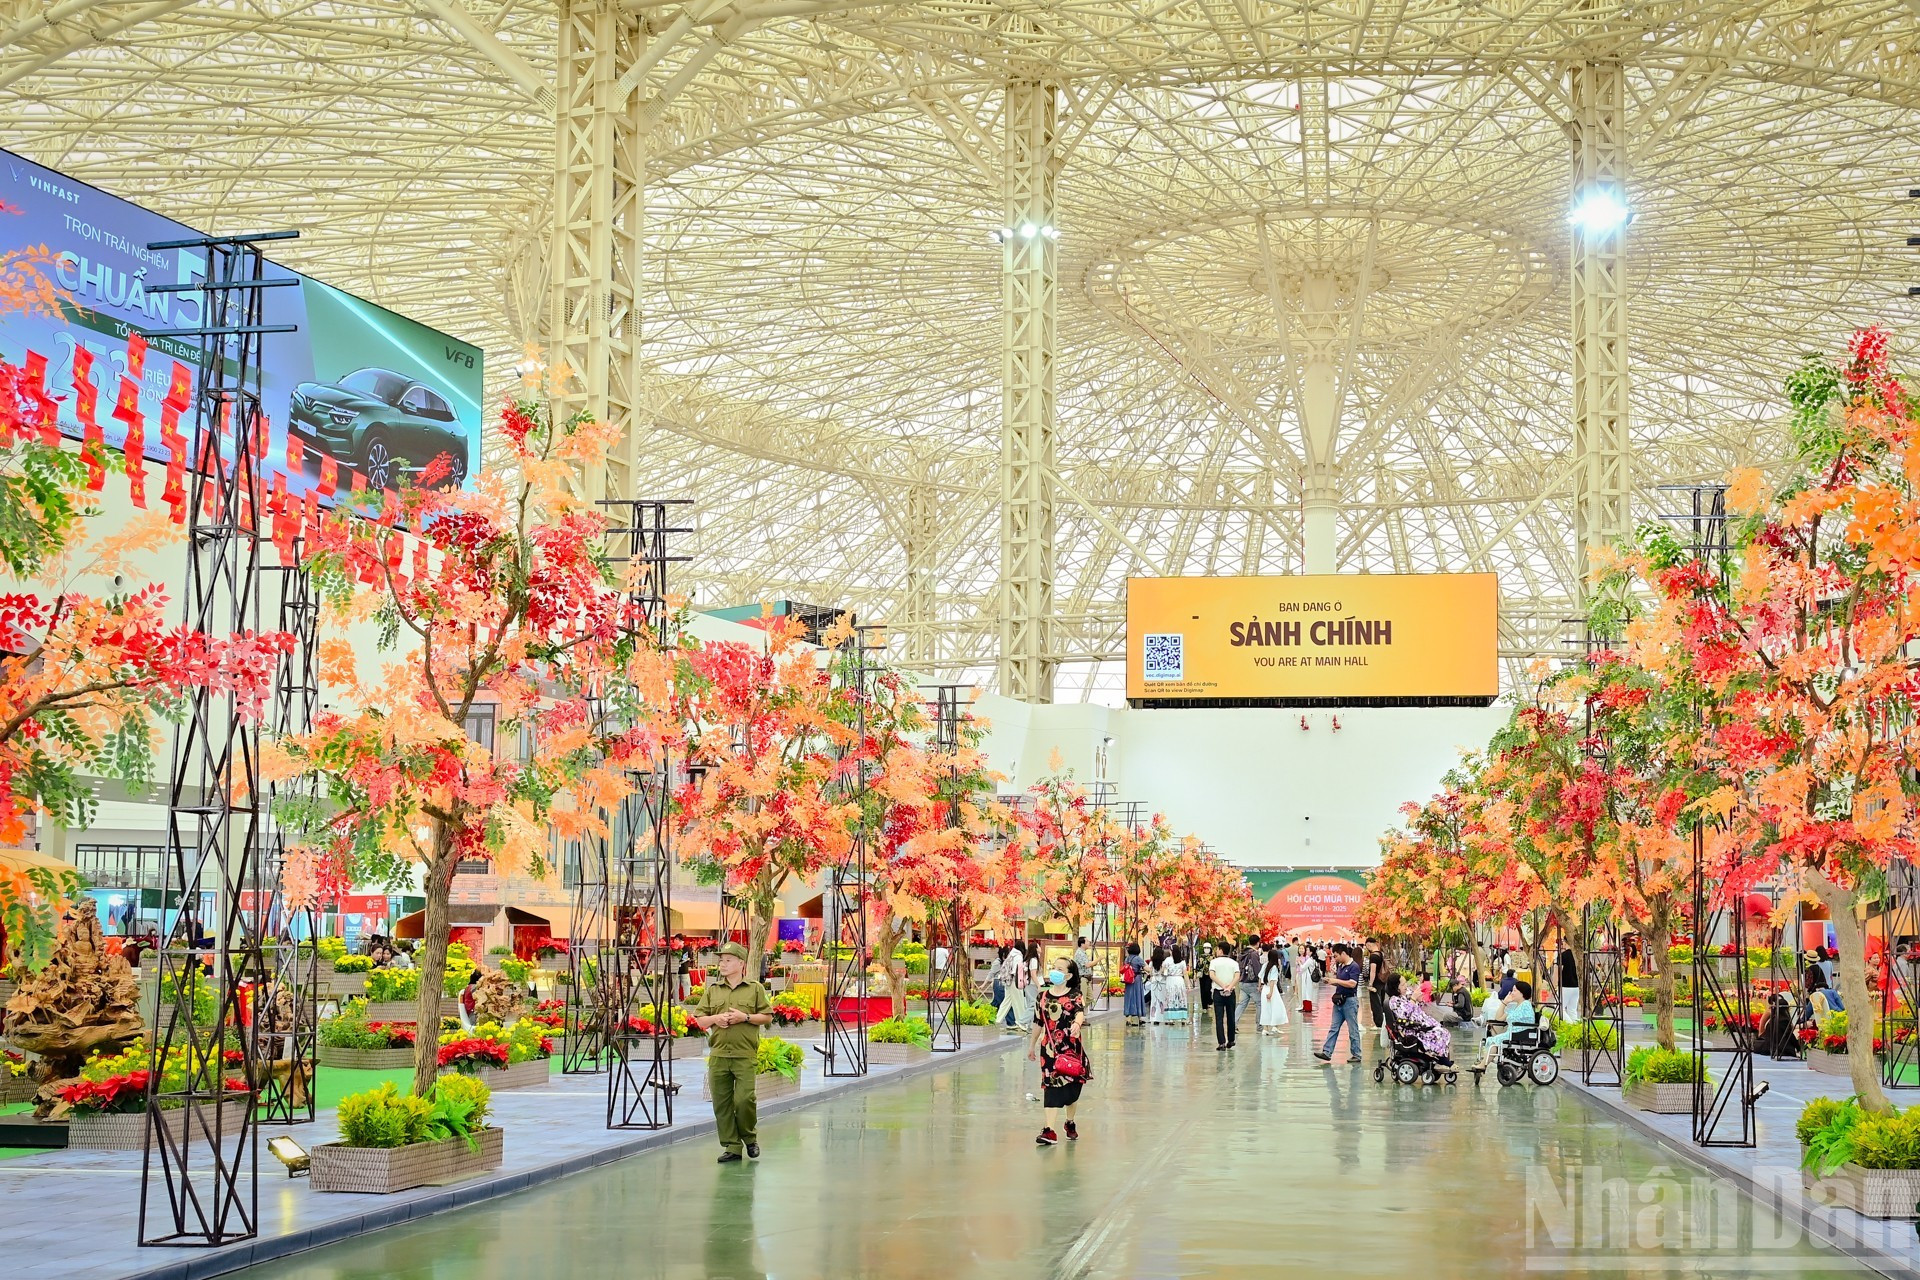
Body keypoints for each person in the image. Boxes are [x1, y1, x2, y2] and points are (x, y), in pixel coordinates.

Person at [691, 942, 775, 1163]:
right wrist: (715, 1019)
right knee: (722, 1103)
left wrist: (744, 1017)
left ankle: (749, 1137)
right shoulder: (713, 990)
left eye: (728, 960)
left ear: (741, 963)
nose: (723, 964)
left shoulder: (755, 988)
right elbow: (700, 1020)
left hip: (744, 1055)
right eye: (721, 960)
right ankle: (732, 1146)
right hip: (719, 1055)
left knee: (745, 1099)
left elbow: (767, 1017)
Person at [1030, 958, 1091, 1146]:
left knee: (1071, 1090)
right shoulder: (1043, 996)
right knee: (1051, 1087)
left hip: (1071, 1048)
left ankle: (1069, 1122)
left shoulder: (1074, 995)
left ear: (1069, 975)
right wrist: (1031, 1045)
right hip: (1049, 1050)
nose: (1055, 971)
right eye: (1053, 967)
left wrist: (1077, 1024)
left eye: (1060, 969)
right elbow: (1038, 1022)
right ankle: (1049, 1131)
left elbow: (1079, 1011)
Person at [1384, 973, 1454, 1067]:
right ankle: (1441, 1059)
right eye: (1403, 984)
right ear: (1396, 987)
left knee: (1443, 1031)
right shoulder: (1394, 1000)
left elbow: (1417, 1002)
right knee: (1440, 1033)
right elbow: (1405, 1016)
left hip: (1420, 1024)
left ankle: (1440, 1057)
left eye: (1406, 983)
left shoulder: (1405, 995)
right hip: (1411, 1029)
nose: (1406, 986)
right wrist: (1413, 999)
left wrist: (1419, 998)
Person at [1314, 943, 1363, 1063]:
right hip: (1339, 1001)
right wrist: (1331, 982)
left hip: (1350, 1001)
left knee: (1353, 1029)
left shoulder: (1354, 967)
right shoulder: (1341, 966)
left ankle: (1356, 1054)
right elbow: (1341, 982)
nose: (1335, 959)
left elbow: (1352, 983)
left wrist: (1336, 980)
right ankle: (1327, 1052)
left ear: (1343, 953)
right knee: (1334, 1027)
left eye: (1336, 956)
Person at [1476, 979, 1538, 1069]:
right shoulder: (1516, 1006)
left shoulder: (1526, 1005)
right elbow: (1499, 1018)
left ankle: (1482, 1065)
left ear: (1522, 993)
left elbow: (1526, 1022)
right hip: (1513, 1033)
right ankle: (1482, 1063)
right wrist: (1505, 1002)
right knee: (1493, 1035)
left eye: (1514, 990)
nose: (1512, 993)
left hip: (1520, 1034)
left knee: (1495, 1041)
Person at [1208, 946, 1242, 1051]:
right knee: (1231, 1016)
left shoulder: (1213, 962)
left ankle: (1221, 1042)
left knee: (1219, 1018)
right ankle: (1231, 1040)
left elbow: (1212, 975)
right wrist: (1229, 987)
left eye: (1217, 949)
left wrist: (1222, 986)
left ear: (1221, 950)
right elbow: (1237, 976)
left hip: (1218, 992)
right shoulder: (1234, 963)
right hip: (1230, 992)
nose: (1216, 951)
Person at [997, 943, 1030, 1033]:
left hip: (1008, 981)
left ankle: (997, 1020)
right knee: (1019, 1002)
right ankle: (1021, 1022)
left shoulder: (1011, 954)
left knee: (1007, 1001)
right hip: (1015, 981)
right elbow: (1017, 969)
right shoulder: (1018, 956)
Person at [1258, 946, 1290, 1034]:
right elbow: (1272, 980)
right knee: (1277, 1007)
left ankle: (1266, 1028)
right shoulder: (1274, 967)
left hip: (1265, 988)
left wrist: (1260, 986)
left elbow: (1260, 976)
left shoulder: (1265, 965)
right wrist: (1271, 992)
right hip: (1272, 990)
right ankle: (1275, 1026)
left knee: (1266, 1009)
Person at [1122, 942, 1148, 1027]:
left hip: (1128, 980)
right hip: (1136, 979)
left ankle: (1128, 1018)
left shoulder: (1127, 959)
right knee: (1138, 996)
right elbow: (1146, 968)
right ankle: (1140, 1017)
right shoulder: (1138, 959)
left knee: (1129, 997)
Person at [1364, 938, 1388, 1029]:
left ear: (1369, 944)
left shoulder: (1373, 956)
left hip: (1376, 982)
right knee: (1381, 1002)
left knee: (1375, 1004)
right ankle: (1383, 1022)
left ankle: (1379, 1024)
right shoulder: (1380, 954)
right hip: (1382, 981)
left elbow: (1372, 971)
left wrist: (1370, 984)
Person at [1558, 945, 1580, 1022]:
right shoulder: (1579, 955)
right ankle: (1575, 1027)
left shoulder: (1563, 955)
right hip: (1577, 986)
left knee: (1558, 1007)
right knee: (1572, 1009)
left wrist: (1553, 985)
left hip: (1565, 985)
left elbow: (1558, 972)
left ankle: (1571, 1025)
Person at [1298, 944, 1319, 1016]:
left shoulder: (1310, 960)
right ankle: (1306, 1007)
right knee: (1308, 992)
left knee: (1306, 992)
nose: (1306, 951)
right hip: (1309, 978)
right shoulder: (1313, 960)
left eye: (1307, 950)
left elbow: (1303, 967)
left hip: (1307, 978)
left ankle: (1307, 1008)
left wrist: (1299, 962)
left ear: (1311, 952)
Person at [991, 943, 1009, 1018]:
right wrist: (985, 984)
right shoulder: (997, 962)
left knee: (997, 1001)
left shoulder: (1005, 961)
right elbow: (991, 973)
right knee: (1001, 1001)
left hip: (1001, 982)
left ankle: (991, 1015)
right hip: (998, 983)